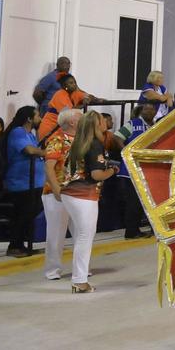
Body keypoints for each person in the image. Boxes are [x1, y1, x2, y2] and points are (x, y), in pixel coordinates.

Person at [57, 111, 115, 293]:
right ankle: (79, 280)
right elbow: (96, 174)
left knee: (81, 236)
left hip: (69, 193)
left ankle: (79, 278)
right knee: (84, 237)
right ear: (96, 125)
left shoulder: (78, 143)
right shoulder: (94, 144)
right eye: (102, 120)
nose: (105, 122)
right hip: (83, 195)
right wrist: (112, 170)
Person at [40, 108, 80, 281]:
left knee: (81, 232)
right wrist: (56, 189)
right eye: (81, 118)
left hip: (78, 193)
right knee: (56, 233)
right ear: (72, 122)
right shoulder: (57, 139)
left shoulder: (81, 140)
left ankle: (80, 268)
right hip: (57, 192)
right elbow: (49, 166)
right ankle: (52, 269)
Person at [1, 107, 44, 258]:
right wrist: (48, 153)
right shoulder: (18, 132)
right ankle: (14, 246)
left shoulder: (30, 134)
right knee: (23, 214)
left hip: (33, 182)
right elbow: (30, 151)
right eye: (38, 116)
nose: (40, 118)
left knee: (31, 212)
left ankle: (22, 245)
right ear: (29, 119)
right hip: (22, 183)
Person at [113, 100, 157, 238]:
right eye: (146, 109)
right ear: (141, 111)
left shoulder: (156, 126)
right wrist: (125, 150)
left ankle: (144, 229)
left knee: (148, 202)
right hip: (130, 171)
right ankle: (131, 232)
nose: (148, 112)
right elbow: (117, 136)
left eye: (151, 110)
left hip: (147, 170)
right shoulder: (133, 124)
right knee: (134, 202)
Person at [37, 73, 109, 140]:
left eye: (75, 82)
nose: (74, 85)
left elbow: (88, 96)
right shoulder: (60, 94)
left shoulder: (75, 93)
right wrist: (83, 105)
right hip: (51, 127)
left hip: (62, 128)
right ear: (65, 86)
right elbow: (68, 112)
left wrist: (98, 100)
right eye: (71, 83)